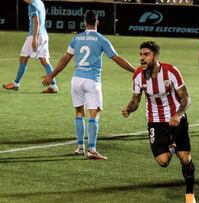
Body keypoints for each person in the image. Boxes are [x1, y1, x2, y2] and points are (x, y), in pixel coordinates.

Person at [43, 10, 135, 160]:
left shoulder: (76, 38)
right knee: (94, 114)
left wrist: (51, 75)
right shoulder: (101, 39)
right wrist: (134, 71)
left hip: (76, 80)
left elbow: (65, 58)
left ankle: (80, 147)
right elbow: (117, 58)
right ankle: (92, 150)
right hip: (92, 81)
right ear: (97, 21)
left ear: (84, 22)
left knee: (79, 113)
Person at [121, 41, 196, 203]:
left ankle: (189, 195)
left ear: (155, 56)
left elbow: (186, 98)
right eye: (140, 54)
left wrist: (178, 114)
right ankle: (171, 146)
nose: (142, 58)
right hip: (155, 122)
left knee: (185, 159)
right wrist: (128, 109)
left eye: (146, 54)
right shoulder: (138, 76)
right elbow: (136, 100)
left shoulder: (171, 71)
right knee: (163, 162)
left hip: (176, 119)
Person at [3, 0, 58, 93]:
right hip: (44, 35)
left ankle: (16, 84)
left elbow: (36, 21)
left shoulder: (32, 6)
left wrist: (34, 38)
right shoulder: (40, 2)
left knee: (23, 58)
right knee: (44, 60)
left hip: (36, 35)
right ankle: (53, 86)